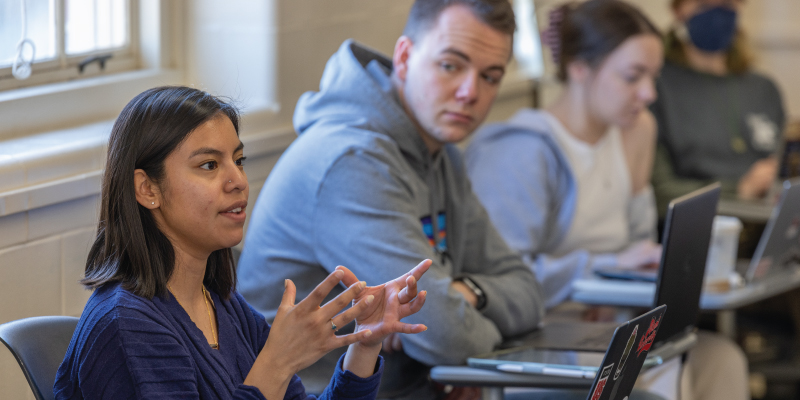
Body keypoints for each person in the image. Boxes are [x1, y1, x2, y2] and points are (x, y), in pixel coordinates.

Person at [236, 0, 546, 398]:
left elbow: (528, 291)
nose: (471, 92)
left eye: (490, 76)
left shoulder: (441, 151)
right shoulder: (352, 162)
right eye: (451, 65)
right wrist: (450, 315)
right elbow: (451, 337)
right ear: (404, 57)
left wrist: (469, 293)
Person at [53, 86, 430, 400]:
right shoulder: (127, 324)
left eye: (238, 160)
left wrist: (364, 343)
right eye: (209, 165)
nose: (238, 181)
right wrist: (278, 362)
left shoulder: (224, 305)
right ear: (147, 189)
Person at [465, 1, 749, 400]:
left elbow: (636, 243)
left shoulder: (634, 130)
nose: (648, 94)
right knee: (669, 379)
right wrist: (609, 267)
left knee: (722, 360)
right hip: (547, 342)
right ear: (580, 68)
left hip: (614, 333)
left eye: (653, 76)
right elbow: (502, 282)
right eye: (633, 77)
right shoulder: (524, 151)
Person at [651, 0, 785, 215]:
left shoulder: (763, 89)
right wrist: (739, 190)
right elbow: (659, 193)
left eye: (726, 5)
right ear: (678, 10)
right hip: (700, 226)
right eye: (705, 5)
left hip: (763, 226)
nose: (717, 15)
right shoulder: (656, 86)